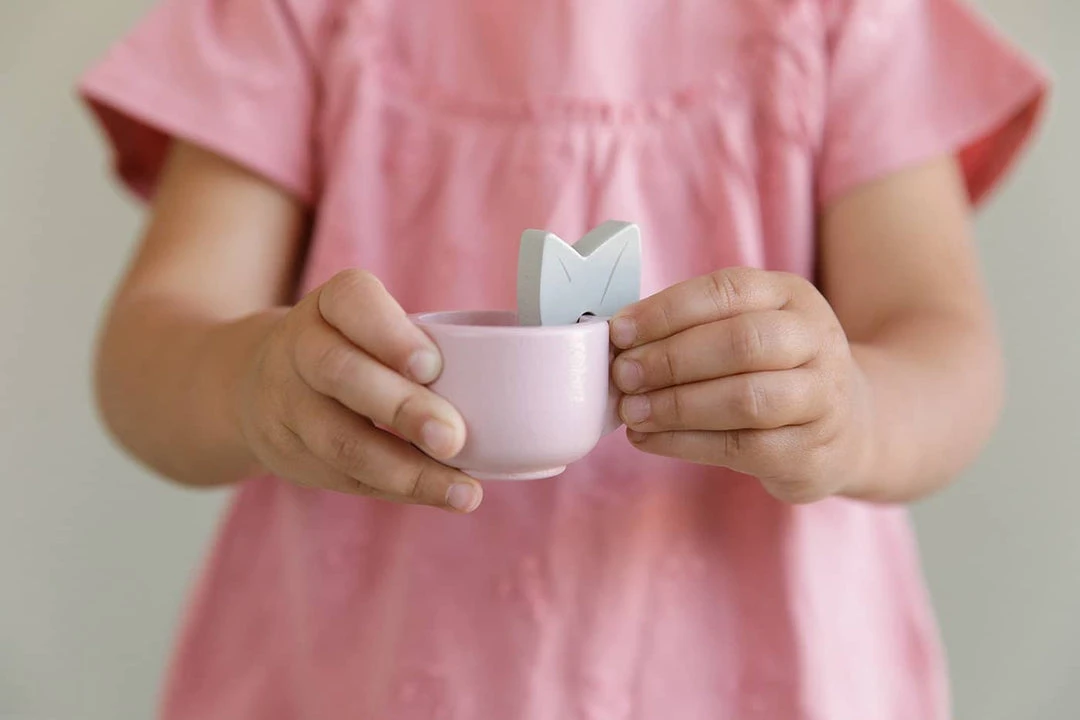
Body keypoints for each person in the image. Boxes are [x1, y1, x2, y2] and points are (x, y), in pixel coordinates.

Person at [79, 0, 1048, 717]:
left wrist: (854, 414)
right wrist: (252, 385)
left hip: (758, 676)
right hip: (352, 675)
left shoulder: (848, 14)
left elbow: (945, 346)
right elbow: (147, 355)